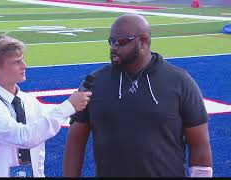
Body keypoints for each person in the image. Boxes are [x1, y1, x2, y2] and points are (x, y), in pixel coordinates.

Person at [63, 14, 212, 177]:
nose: (113, 47)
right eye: (111, 41)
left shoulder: (180, 81)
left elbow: (199, 143)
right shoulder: (94, 82)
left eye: (121, 42)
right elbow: (75, 141)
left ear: (144, 41)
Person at [0, 35, 92, 177]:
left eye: (22, 60)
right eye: (16, 62)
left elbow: (54, 114)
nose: (24, 66)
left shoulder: (28, 100)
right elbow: (24, 137)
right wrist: (69, 106)